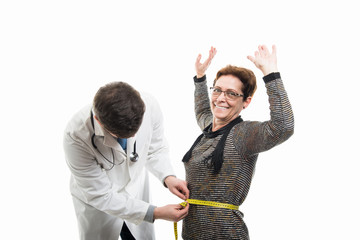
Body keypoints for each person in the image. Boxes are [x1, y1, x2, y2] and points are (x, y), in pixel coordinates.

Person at [181, 45, 294, 239]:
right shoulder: (209, 128)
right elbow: (202, 111)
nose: (221, 98)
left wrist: (271, 74)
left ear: (246, 101)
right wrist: (200, 77)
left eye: (231, 93)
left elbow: (283, 127)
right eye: (217, 90)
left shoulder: (243, 135)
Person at [63, 81, 189, 240]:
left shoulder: (149, 105)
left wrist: (168, 177)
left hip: (136, 190)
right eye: (123, 136)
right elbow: (101, 196)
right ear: (98, 120)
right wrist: (154, 213)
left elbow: (155, 147)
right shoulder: (76, 136)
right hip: (99, 204)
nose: (133, 138)